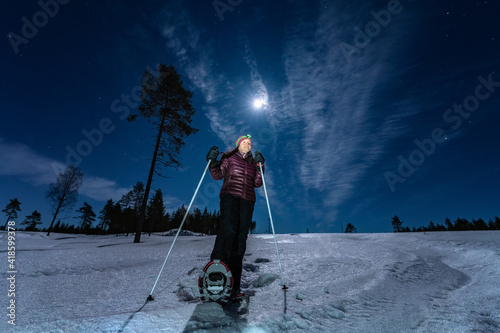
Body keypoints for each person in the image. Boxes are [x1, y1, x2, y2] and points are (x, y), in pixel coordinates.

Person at [205, 134, 265, 299]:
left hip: (248, 201)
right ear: (238, 145)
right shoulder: (229, 158)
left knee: (240, 240)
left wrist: (260, 166)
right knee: (228, 230)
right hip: (230, 196)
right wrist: (212, 162)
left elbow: (258, 183)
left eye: (249, 143)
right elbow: (217, 175)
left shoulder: (253, 163)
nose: (247, 144)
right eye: (244, 142)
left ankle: (234, 286)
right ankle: (216, 272)